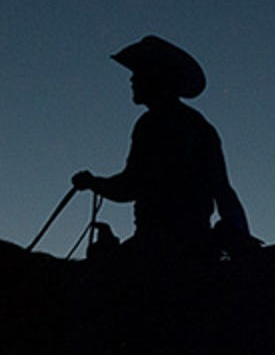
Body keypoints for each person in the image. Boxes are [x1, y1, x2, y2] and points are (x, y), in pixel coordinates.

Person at [72, 35, 252, 264]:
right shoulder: (200, 126)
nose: (132, 79)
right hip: (196, 243)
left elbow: (131, 185)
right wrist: (239, 235)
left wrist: (93, 183)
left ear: (156, 78)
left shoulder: (152, 123)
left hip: (158, 246)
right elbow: (222, 189)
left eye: (138, 73)